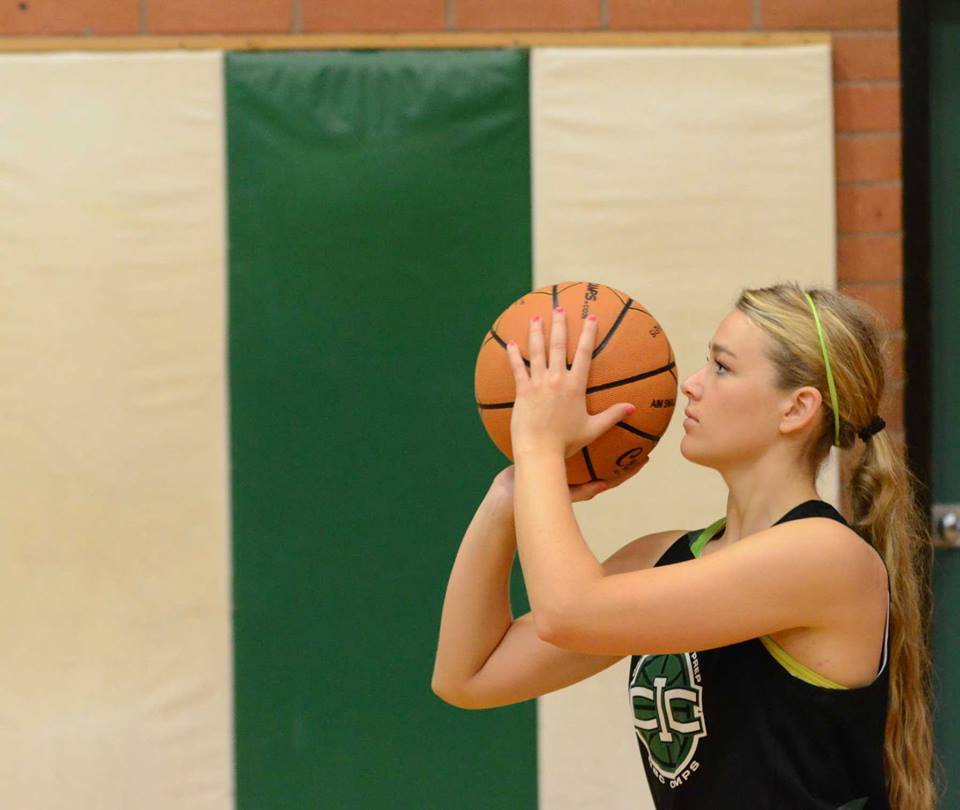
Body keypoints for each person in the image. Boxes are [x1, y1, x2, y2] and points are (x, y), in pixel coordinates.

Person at [431, 282, 939, 809]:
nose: (692, 386)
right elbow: (468, 676)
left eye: (722, 367)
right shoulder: (662, 557)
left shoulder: (824, 557)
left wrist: (538, 443)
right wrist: (509, 492)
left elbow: (569, 611)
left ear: (796, 409)